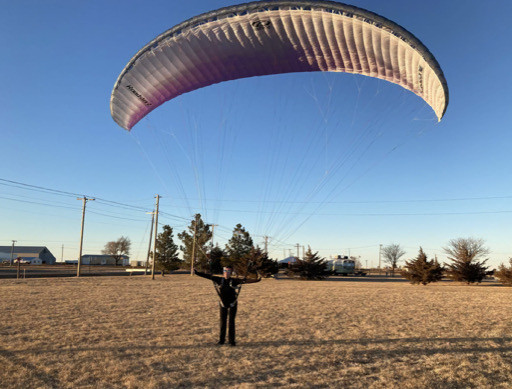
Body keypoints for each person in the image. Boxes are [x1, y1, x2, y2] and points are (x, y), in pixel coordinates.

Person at [194, 266, 261, 346]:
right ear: (223, 271)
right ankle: (221, 341)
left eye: (228, 271)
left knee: (231, 322)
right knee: (223, 322)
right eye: (225, 270)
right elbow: (208, 276)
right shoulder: (219, 280)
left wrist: (257, 279)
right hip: (223, 303)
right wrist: (197, 272)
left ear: (231, 272)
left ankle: (232, 341)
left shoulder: (234, 281)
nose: (226, 272)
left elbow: (247, 280)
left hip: (233, 303)